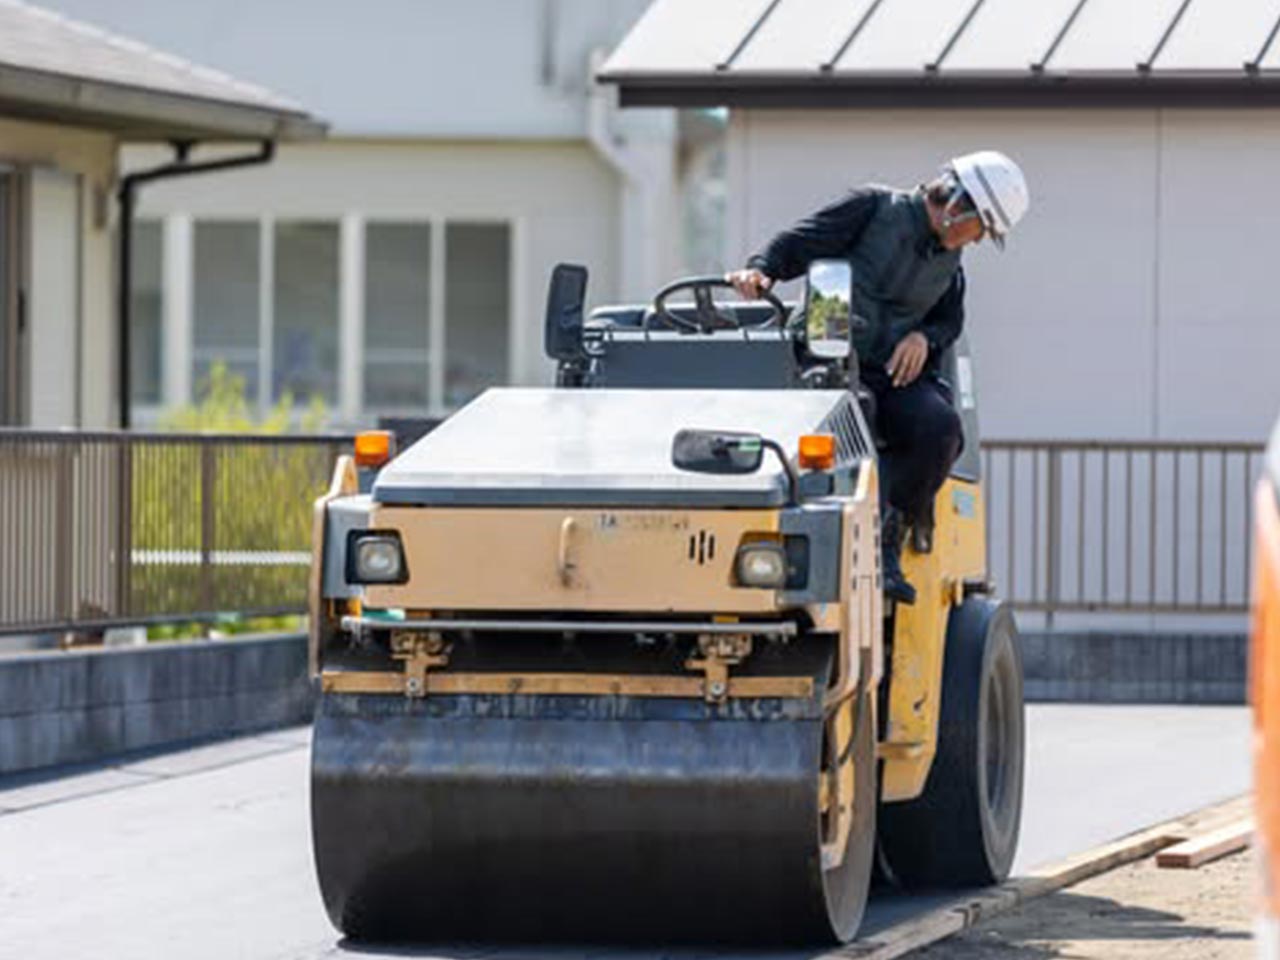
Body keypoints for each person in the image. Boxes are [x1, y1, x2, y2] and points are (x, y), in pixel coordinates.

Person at [728, 151, 1029, 605]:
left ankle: (889, 533)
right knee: (855, 419)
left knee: (941, 429)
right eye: (981, 227)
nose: (979, 239)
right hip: (827, 363)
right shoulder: (872, 209)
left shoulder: (951, 265)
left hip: (891, 375)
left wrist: (925, 337)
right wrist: (762, 270)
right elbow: (801, 242)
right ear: (958, 205)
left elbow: (949, 321)